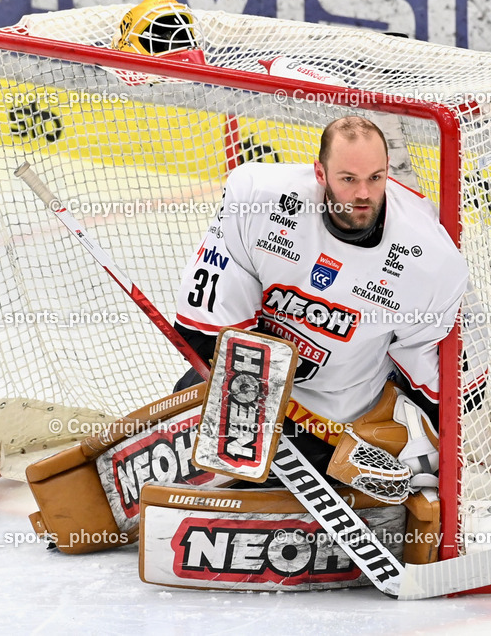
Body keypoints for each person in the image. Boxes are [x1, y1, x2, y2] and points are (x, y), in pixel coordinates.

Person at [172, 116, 469, 496]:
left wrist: (427, 469)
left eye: (375, 178)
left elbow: (443, 389)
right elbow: (203, 331)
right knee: (165, 470)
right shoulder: (259, 200)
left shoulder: (429, 259)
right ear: (320, 173)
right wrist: (256, 409)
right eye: (348, 179)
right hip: (242, 392)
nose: (363, 193)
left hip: (337, 426)